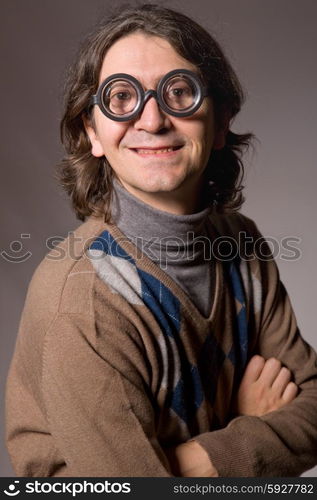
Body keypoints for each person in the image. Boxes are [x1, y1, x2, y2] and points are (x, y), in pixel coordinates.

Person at [5, 4, 317, 477]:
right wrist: (248, 427)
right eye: (121, 97)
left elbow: (313, 408)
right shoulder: (84, 302)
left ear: (220, 121)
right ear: (92, 130)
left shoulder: (241, 243)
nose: (152, 121)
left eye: (179, 92)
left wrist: (183, 463)